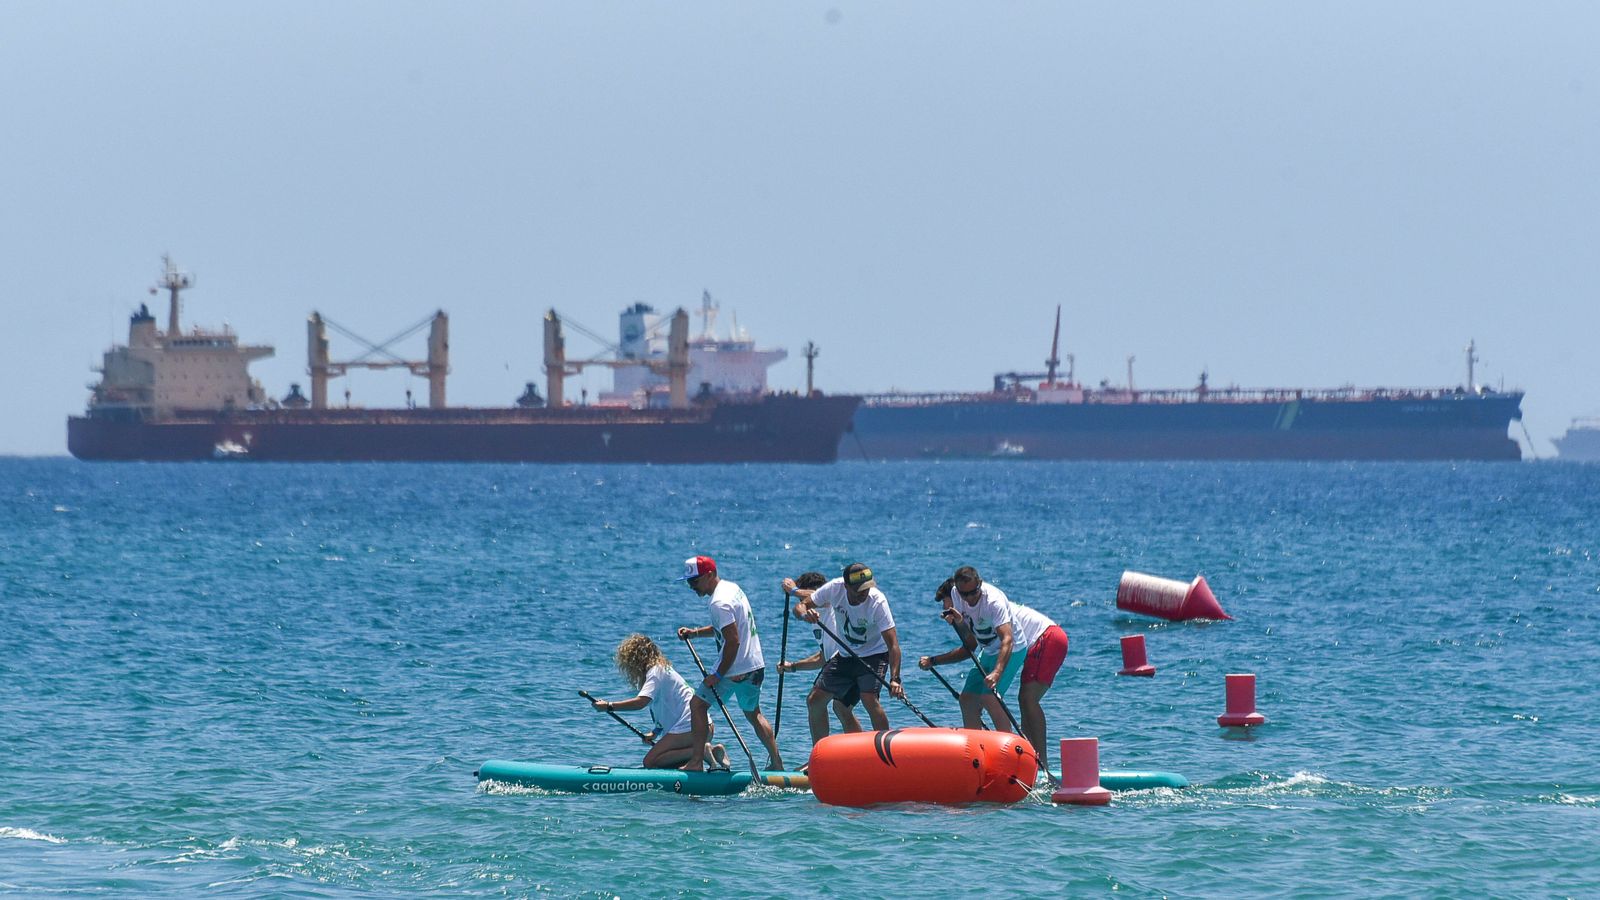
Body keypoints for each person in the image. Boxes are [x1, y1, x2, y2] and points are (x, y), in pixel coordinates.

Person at [917, 566, 1067, 760]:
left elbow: (1008, 640)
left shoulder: (993, 601)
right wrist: (955, 629)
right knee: (968, 699)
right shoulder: (957, 598)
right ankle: (977, 758)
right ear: (957, 591)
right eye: (965, 595)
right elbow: (970, 646)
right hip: (993, 649)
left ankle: (1019, 758)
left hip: (1036, 639)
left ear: (979, 584)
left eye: (973, 593)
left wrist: (996, 672)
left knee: (1005, 699)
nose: (969, 598)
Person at [675, 555, 784, 772]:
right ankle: (777, 764)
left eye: (694, 581)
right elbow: (728, 629)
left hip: (734, 669)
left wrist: (717, 675)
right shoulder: (732, 589)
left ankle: (695, 762)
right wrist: (695, 633)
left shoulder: (718, 603)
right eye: (688, 582)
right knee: (754, 714)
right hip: (754, 666)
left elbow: (733, 641)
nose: (691, 587)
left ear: (709, 575)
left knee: (697, 705)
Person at [787, 563, 905, 751]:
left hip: (875, 654)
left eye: (866, 589)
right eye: (858, 591)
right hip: (845, 655)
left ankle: (886, 753)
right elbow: (800, 606)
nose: (863, 595)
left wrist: (895, 679)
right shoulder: (834, 589)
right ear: (846, 586)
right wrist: (804, 614)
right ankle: (820, 755)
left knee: (868, 698)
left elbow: (893, 645)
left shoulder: (877, 601)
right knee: (814, 701)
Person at [588, 634, 724, 769]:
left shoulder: (655, 671)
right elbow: (666, 707)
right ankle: (707, 754)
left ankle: (703, 752)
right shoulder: (662, 669)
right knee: (666, 761)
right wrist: (655, 732)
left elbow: (641, 702)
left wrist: (609, 706)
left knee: (650, 762)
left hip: (691, 729)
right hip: (703, 727)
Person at [775, 571, 863, 734]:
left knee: (815, 702)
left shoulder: (827, 602)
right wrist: (793, 666)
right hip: (845, 662)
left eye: (805, 598)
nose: (805, 603)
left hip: (849, 661)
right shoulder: (816, 619)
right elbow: (823, 657)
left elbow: (816, 595)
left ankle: (819, 754)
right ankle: (862, 754)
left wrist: (794, 591)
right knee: (841, 708)